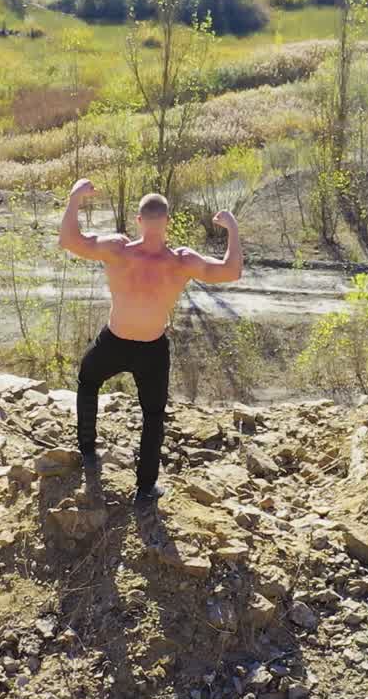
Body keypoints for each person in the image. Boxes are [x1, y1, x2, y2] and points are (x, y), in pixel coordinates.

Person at [58, 180, 243, 504]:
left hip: (114, 340)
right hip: (152, 348)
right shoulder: (181, 261)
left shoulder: (117, 249)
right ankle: (145, 488)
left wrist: (75, 198)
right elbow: (231, 271)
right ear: (168, 222)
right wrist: (232, 229)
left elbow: (68, 240)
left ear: (138, 221)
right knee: (153, 415)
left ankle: (87, 451)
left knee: (88, 382)